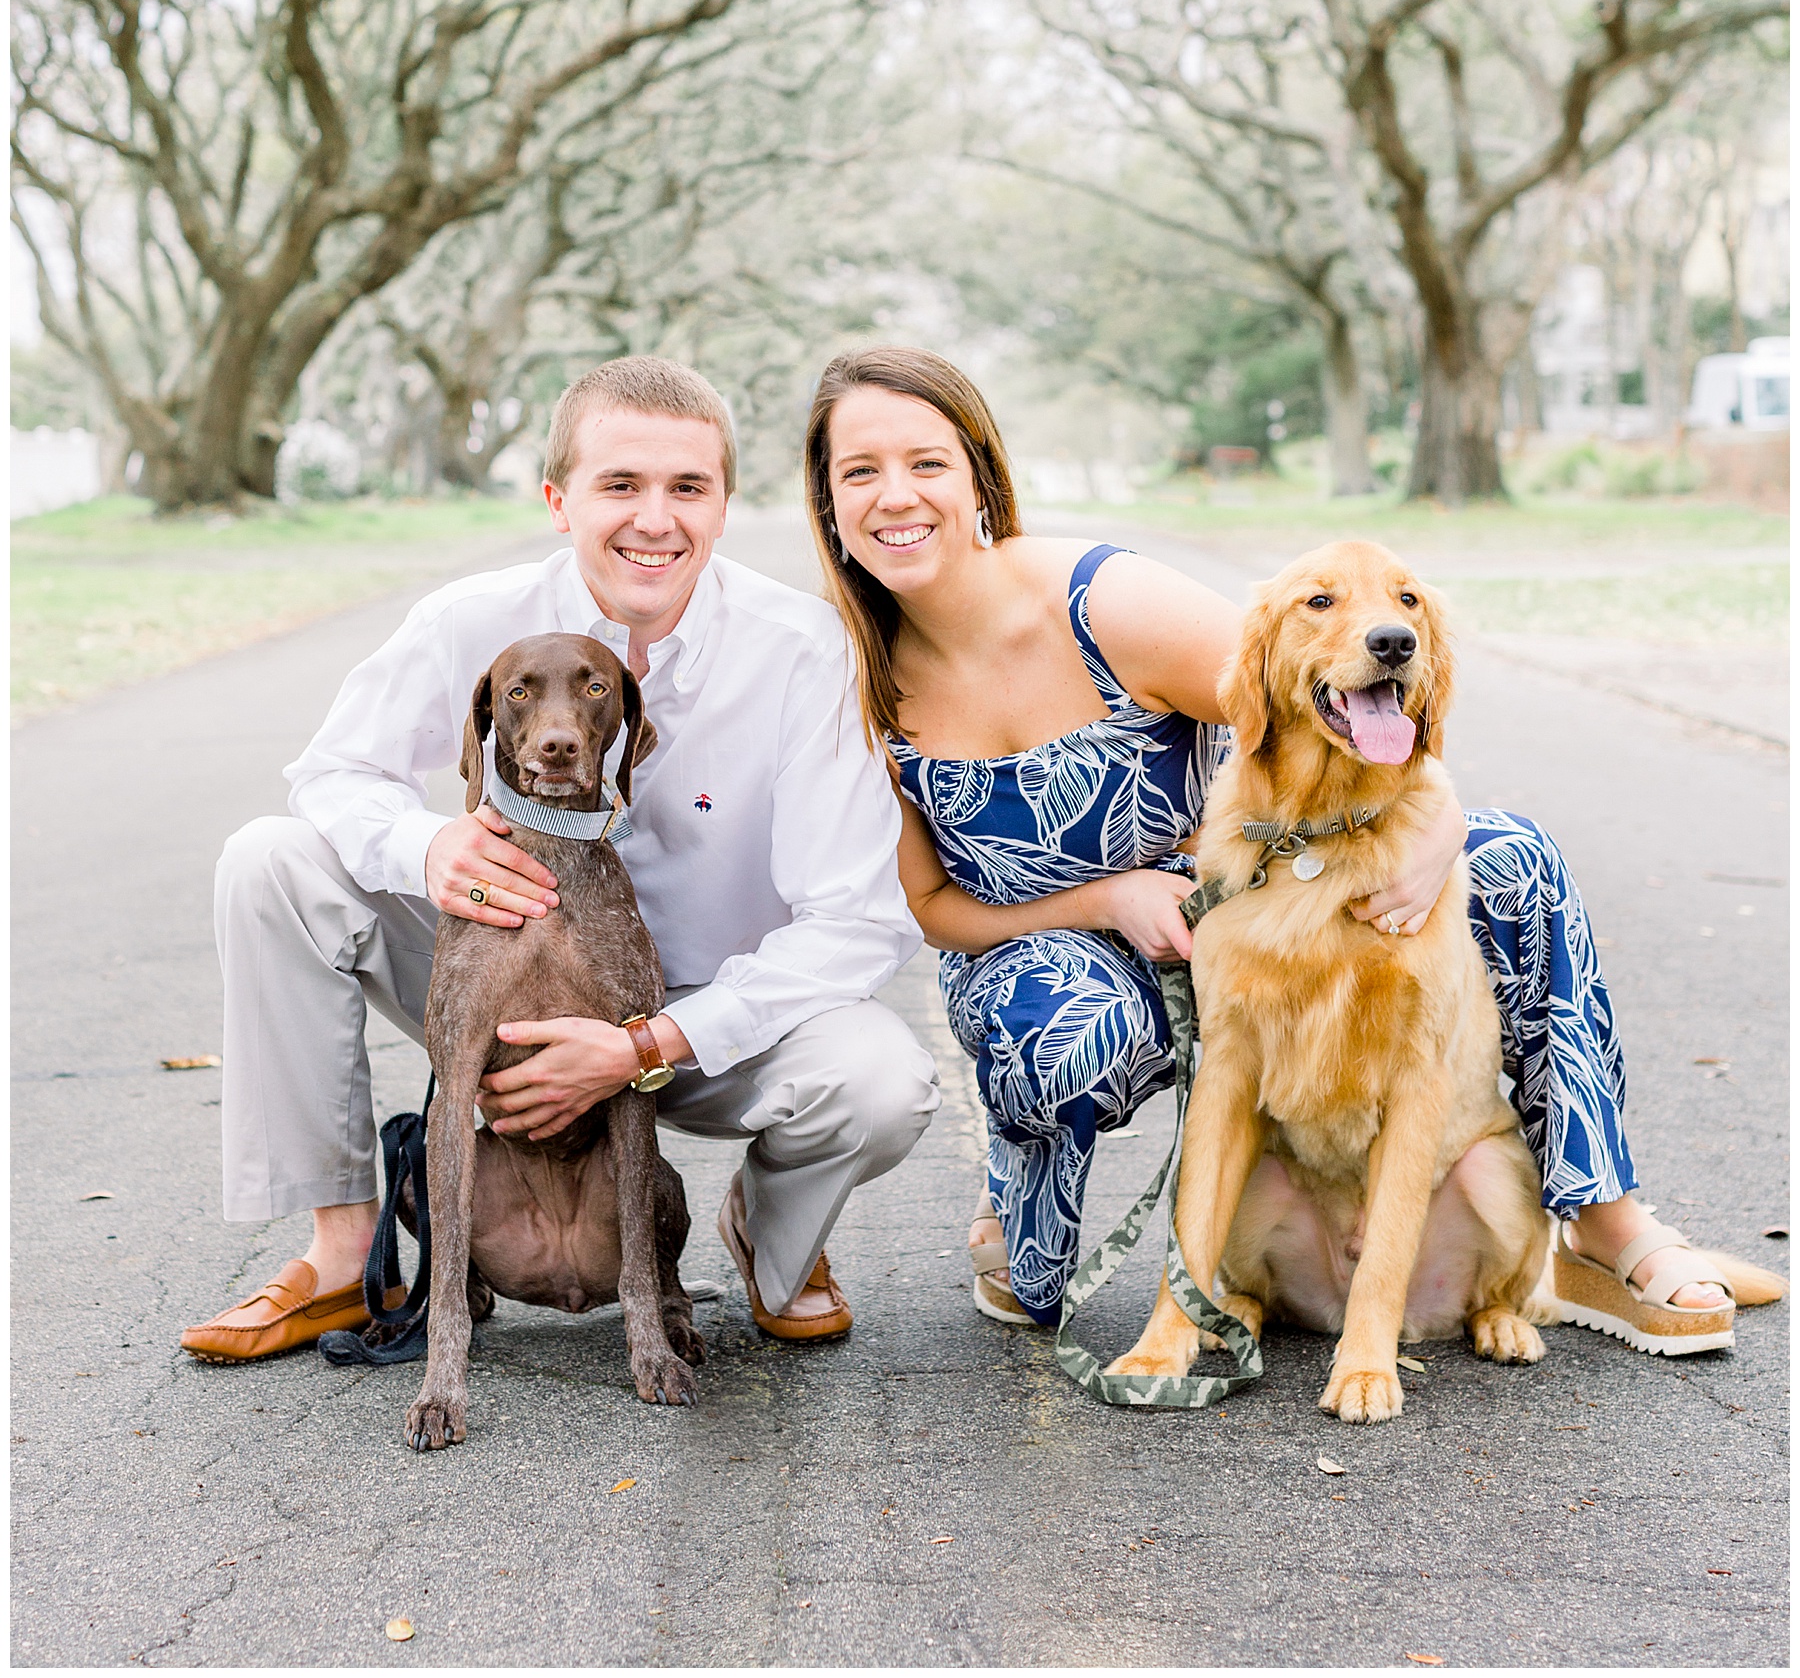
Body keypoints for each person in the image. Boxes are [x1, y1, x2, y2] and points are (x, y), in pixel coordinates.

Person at [803, 341, 1780, 1347]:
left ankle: (1604, 1219)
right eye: (860, 471)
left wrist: (1439, 817)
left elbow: (1329, 677)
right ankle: (1027, 1192)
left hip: (1238, 912)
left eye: (926, 461)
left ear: (979, 474)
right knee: (1059, 1046)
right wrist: (1106, 900)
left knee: (1511, 856)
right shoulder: (858, 678)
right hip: (1046, 951)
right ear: (828, 503)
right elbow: (933, 907)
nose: (896, 495)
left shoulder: (1107, 604)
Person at [179, 356, 938, 1365]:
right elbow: (331, 772)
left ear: (724, 503)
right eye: (620, 484)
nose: (655, 519)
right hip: (502, 988)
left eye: (687, 488)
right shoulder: (470, 621)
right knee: (270, 860)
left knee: (880, 1076)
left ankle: (772, 1230)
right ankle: (344, 1250)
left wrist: (647, 1042)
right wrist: (430, 842)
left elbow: (856, 921)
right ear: (557, 498)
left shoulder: (804, 652)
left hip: (704, 1020)